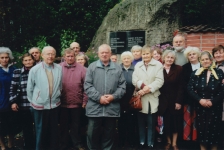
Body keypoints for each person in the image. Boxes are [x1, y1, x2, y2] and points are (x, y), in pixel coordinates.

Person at [84, 44, 126, 150]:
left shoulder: (117, 68)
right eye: (102, 52)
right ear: (98, 54)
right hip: (94, 108)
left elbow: (122, 87)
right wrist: (99, 98)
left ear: (110, 53)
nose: (104, 54)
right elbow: (87, 86)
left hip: (111, 108)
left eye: (106, 52)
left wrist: (113, 97)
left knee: (109, 134)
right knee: (92, 134)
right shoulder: (92, 67)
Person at [27, 46, 62, 150]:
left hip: (55, 105)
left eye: (52, 54)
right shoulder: (35, 69)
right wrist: (35, 101)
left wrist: (58, 94)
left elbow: (60, 85)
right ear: (42, 55)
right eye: (48, 54)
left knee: (54, 131)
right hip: (39, 106)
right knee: (40, 131)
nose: (50, 56)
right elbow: (30, 88)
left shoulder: (59, 68)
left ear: (55, 56)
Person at [188, 51, 224, 150]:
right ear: (200, 61)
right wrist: (200, 100)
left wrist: (213, 101)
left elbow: (222, 90)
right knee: (202, 131)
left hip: (215, 107)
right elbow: (190, 89)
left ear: (211, 60)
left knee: (214, 131)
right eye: (202, 60)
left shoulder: (219, 72)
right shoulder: (196, 73)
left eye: (207, 59)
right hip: (200, 107)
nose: (205, 61)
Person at [132, 45, 164, 149]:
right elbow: (134, 79)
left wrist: (147, 88)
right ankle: (142, 142)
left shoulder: (158, 65)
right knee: (140, 121)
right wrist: (142, 86)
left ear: (151, 54)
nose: (145, 55)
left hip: (151, 97)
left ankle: (150, 143)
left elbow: (160, 81)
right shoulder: (138, 65)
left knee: (151, 122)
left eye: (147, 53)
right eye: (144, 54)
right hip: (141, 98)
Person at [59, 48, 87, 150]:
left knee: (76, 126)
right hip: (62, 103)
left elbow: (86, 87)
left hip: (77, 103)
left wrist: (85, 100)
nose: (70, 58)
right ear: (64, 57)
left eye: (72, 56)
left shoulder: (82, 69)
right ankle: (63, 144)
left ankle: (77, 143)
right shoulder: (58, 68)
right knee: (63, 126)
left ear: (75, 56)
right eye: (68, 56)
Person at [9, 53, 36, 150]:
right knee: (27, 128)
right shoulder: (17, 72)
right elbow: (12, 88)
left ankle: (39, 145)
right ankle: (29, 146)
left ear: (33, 60)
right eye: (25, 60)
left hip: (38, 105)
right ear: (22, 62)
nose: (28, 62)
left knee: (38, 128)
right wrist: (13, 102)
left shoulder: (38, 71)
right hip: (24, 105)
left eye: (29, 60)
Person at [158, 50, 183, 150]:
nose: (169, 59)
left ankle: (174, 143)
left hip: (174, 100)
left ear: (174, 59)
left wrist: (179, 101)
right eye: (167, 57)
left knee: (175, 123)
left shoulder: (178, 69)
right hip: (163, 100)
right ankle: (168, 142)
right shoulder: (159, 68)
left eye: (172, 57)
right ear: (163, 58)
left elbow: (181, 87)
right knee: (166, 123)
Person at [182, 47, 201, 148]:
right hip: (188, 98)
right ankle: (188, 143)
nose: (192, 56)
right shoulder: (185, 68)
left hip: (201, 98)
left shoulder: (203, 65)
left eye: (194, 54)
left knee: (198, 121)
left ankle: (198, 141)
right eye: (189, 55)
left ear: (198, 55)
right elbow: (183, 84)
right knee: (188, 121)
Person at [118, 51, 136, 148]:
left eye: (128, 58)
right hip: (121, 99)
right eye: (124, 58)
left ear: (131, 59)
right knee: (121, 120)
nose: (126, 60)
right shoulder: (118, 69)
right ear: (122, 59)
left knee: (131, 120)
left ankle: (131, 141)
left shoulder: (135, 69)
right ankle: (121, 141)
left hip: (132, 98)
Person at [0, 47, 16, 150]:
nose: (5, 59)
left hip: (12, 102)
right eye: (2, 57)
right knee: (1, 125)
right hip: (1, 102)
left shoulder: (14, 69)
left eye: (6, 57)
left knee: (12, 124)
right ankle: (2, 145)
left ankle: (11, 143)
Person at [212, 45, 224, 149]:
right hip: (216, 100)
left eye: (220, 52)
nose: (218, 55)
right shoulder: (213, 67)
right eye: (216, 53)